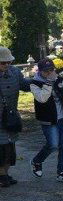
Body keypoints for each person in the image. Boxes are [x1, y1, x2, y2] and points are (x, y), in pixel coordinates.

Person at [30, 59, 63, 183]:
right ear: (40, 71)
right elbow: (42, 98)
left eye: (52, 70)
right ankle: (37, 161)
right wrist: (49, 82)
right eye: (46, 71)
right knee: (53, 145)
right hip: (48, 119)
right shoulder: (34, 83)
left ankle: (61, 172)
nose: (50, 73)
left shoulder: (58, 79)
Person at [0, 47, 30, 188]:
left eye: (8, 62)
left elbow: (25, 85)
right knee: (1, 148)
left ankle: (5, 174)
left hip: (10, 117)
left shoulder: (15, 72)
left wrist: (40, 80)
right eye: (2, 63)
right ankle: (2, 175)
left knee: (10, 148)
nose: (6, 65)